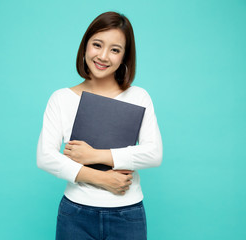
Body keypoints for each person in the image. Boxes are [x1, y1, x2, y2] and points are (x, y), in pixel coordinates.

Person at [37, 11, 162, 240]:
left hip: (128, 215)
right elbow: (45, 157)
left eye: (115, 50)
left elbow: (153, 154)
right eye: (97, 45)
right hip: (75, 214)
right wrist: (103, 178)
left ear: (124, 56)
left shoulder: (138, 96)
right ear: (85, 46)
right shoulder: (61, 98)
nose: (103, 56)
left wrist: (95, 155)